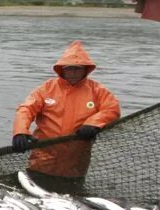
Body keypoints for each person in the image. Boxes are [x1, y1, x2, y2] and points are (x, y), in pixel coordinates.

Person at [11, 40, 121, 188]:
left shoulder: (97, 90)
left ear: (85, 70)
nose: (73, 73)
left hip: (76, 163)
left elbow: (112, 109)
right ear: (61, 69)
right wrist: (20, 132)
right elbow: (26, 109)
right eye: (69, 69)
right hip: (42, 161)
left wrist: (93, 123)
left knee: (72, 195)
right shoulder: (47, 88)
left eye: (77, 69)